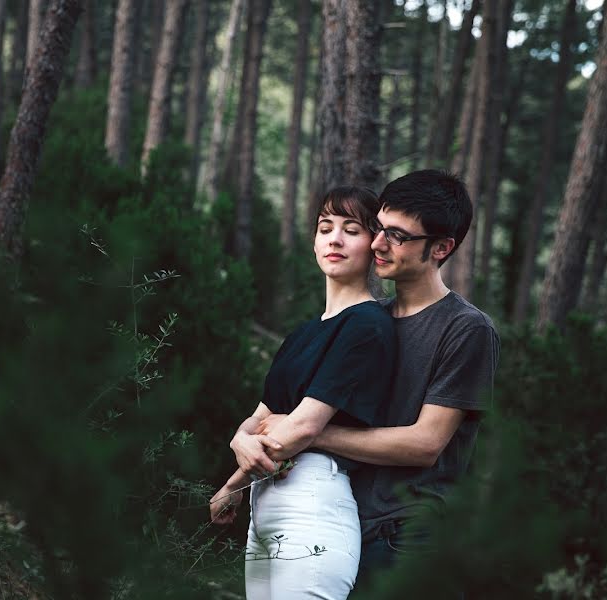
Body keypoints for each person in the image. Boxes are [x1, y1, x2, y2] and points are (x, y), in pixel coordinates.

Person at [251, 170, 500, 588]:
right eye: (379, 228)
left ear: (441, 248)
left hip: (409, 535)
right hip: (343, 525)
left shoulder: (466, 329)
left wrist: (310, 434)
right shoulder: (368, 320)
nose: (378, 243)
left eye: (398, 236)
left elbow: (424, 445)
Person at [209, 186, 397, 599]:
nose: (334, 239)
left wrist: (232, 484)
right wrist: (238, 438)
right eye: (325, 227)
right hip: (267, 505)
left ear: (374, 245)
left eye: (351, 230)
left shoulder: (367, 325)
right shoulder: (304, 333)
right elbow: (262, 416)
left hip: (313, 503)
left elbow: (301, 429)